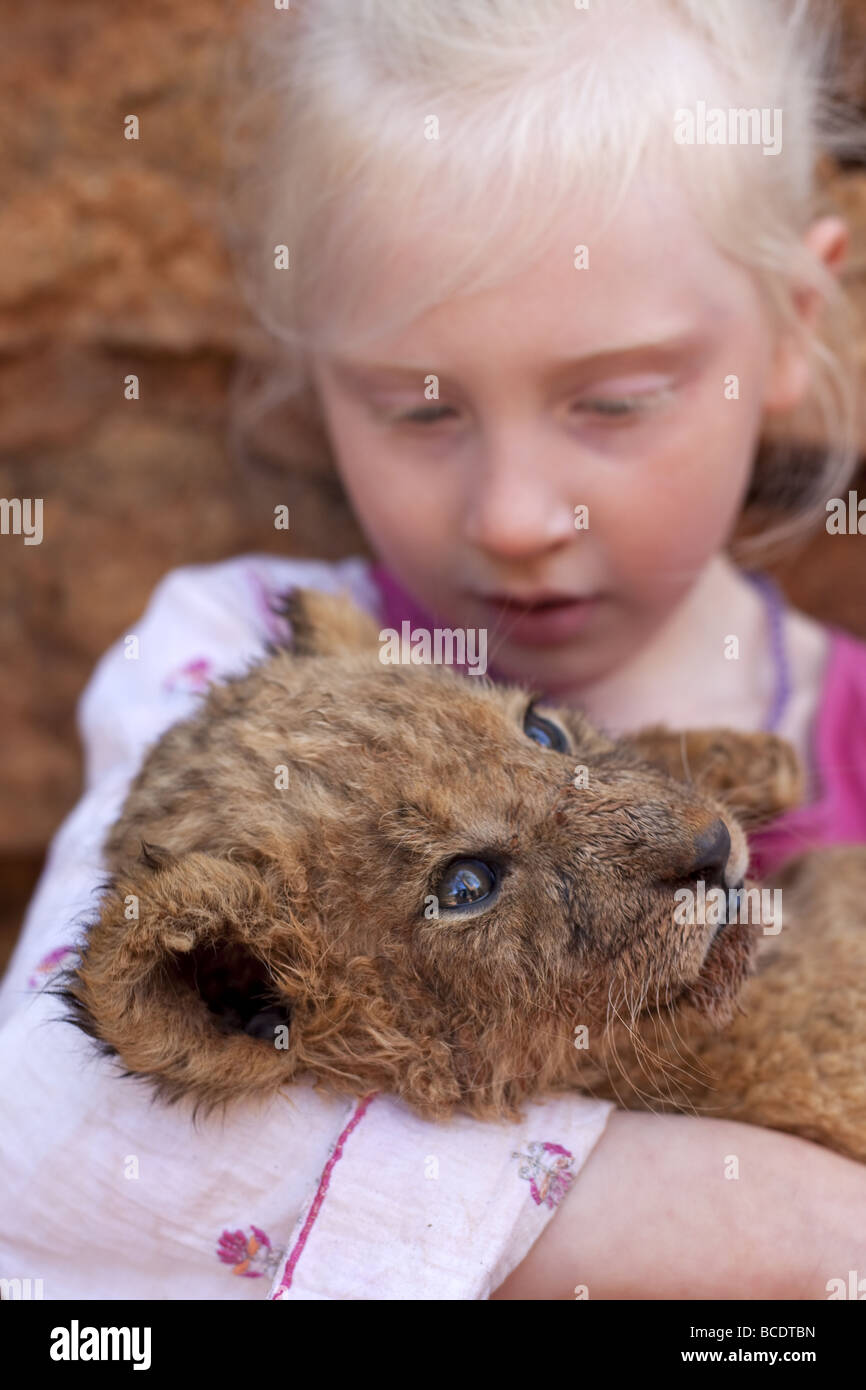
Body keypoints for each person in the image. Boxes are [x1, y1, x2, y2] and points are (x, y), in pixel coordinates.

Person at [2, 0, 866, 1300]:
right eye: (418, 407)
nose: (513, 516)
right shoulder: (239, 656)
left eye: (613, 402)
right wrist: (763, 1221)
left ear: (793, 325)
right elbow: (56, 1132)